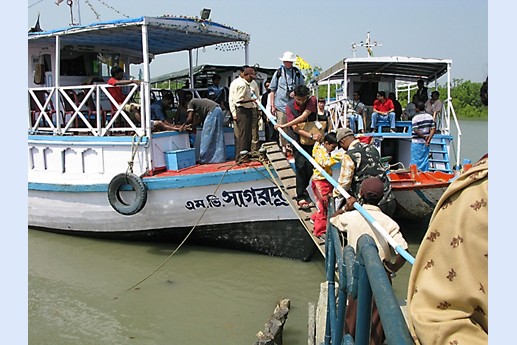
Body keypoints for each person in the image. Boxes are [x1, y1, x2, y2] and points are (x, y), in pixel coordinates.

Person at [406, 78, 488, 345]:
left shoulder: (475, 196)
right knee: (423, 163)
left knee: (418, 162)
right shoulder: (478, 195)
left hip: (419, 146)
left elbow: (437, 316)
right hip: (425, 145)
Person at [330, 177, 408, 345]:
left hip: (355, 273)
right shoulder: (389, 222)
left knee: (352, 318)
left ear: (360, 194)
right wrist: (392, 267)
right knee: (377, 322)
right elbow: (404, 250)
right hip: (380, 275)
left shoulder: (352, 217)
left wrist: (346, 207)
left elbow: (333, 220)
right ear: (382, 197)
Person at [275, 84, 325, 210]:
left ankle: (302, 188)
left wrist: (283, 125)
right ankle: (300, 195)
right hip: (299, 137)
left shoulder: (312, 100)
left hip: (312, 135)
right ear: (294, 96)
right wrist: (310, 136)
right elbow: (295, 128)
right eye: (299, 100)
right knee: (300, 165)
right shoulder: (289, 106)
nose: (301, 102)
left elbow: (303, 117)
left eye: (303, 99)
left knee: (311, 165)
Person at [333, 127, 397, 217]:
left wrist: (334, 194)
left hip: (369, 206)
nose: (343, 149)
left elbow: (345, 183)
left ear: (342, 142)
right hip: (388, 198)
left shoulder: (349, 155)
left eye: (341, 146)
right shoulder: (372, 148)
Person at [269, 51, 305, 154]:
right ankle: (283, 146)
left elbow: (303, 88)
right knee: (282, 126)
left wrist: (296, 92)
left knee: (294, 126)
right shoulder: (278, 72)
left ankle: (293, 145)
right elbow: (272, 90)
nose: (287, 63)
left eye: (289, 61)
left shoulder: (297, 73)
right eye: (286, 61)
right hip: (280, 105)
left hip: (294, 105)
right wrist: (272, 106)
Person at [310, 132, 341, 238]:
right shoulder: (321, 152)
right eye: (333, 147)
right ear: (327, 143)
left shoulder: (320, 148)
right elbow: (325, 163)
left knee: (324, 204)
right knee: (322, 207)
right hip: (320, 182)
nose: (333, 149)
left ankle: (315, 218)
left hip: (325, 181)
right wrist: (339, 157)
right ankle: (319, 231)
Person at [180, 98, 226, 164]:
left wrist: (183, 125)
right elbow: (200, 120)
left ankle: (204, 159)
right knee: (218, 136)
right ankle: (219, 158)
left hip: (212, 111)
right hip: (218, 110)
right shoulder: (200, 105)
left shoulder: (191, 102)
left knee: (206, 136)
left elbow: (189, 118)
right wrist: (193, 125)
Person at [229, 66, 256, 162]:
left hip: (246, 110)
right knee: (244, 135)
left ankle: (245, 155)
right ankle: (242, 156)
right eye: (251, 77)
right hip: (242, 110)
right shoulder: (242, 85)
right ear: (245, 75)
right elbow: (238, 100)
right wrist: (251, 100)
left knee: (247, 134)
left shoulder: (246, 84)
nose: (252, 79)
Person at [410, 100, 436, 171]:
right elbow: (433, 129)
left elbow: (415, 130)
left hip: (416, 142)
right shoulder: (430, 117)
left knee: (415, 160)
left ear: (417, 109)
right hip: (426, 143)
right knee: (425, 160)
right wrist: (428, 140)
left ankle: (415, 175)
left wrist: (424, 137)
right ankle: (424, 174)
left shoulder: (415, 118)